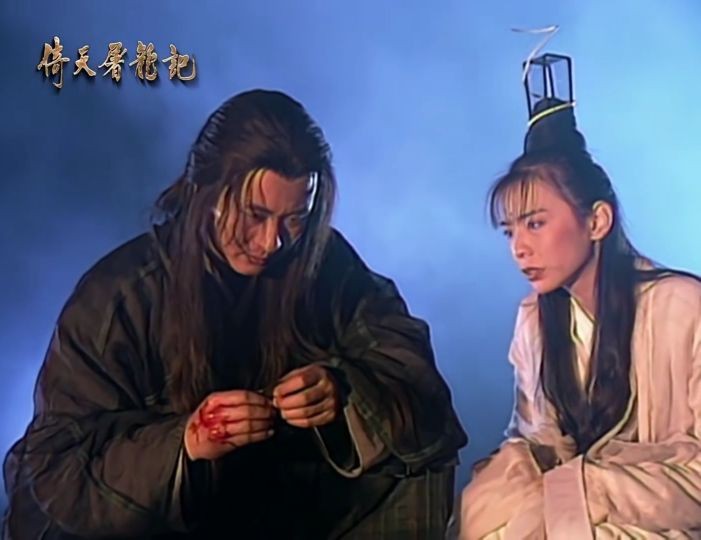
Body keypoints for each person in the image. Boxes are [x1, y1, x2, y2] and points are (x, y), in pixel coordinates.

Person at [3, 89, 467, 539]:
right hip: (158, 519)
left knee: (418, 450)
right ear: (205, 191)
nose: (271, 243)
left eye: (294, 219)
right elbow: (56, 468)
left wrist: (340, 391)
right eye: (254, 214)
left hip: (267, 503)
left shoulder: (321, 263)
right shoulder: (121, 297)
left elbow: (408, 368)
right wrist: (187, 442)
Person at [455, 96, 701, 538]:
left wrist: (589, 488)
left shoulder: (683, 307)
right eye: (510, 232)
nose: (519, 248)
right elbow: (535, 442)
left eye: (535, 224)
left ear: (597, 221)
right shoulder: (535, 321)